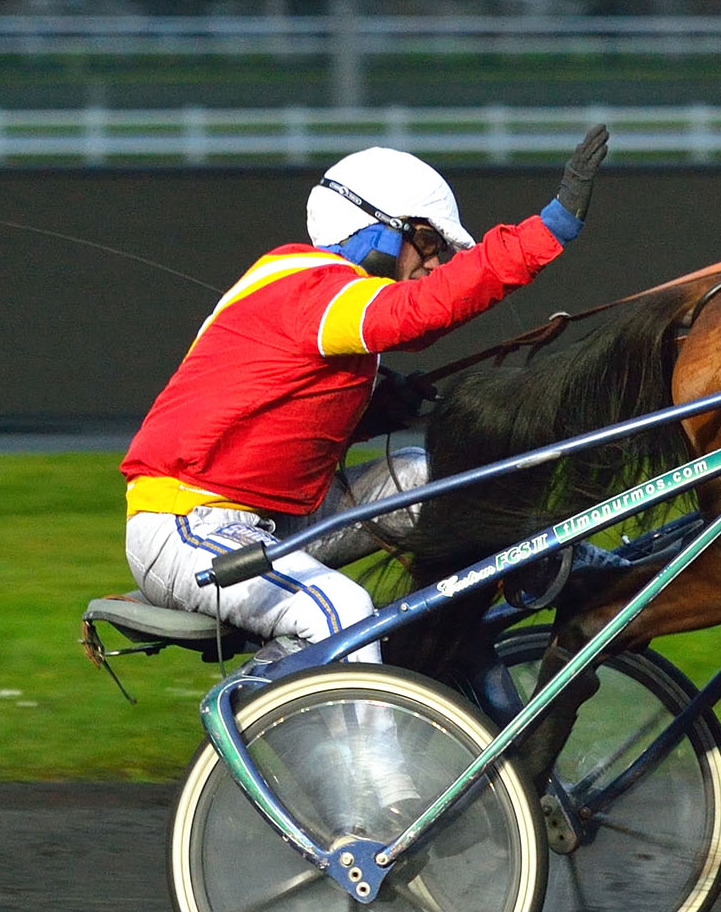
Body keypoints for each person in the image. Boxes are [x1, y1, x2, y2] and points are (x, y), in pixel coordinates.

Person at [121, 126, 609, 661]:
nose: (434, 263)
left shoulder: (326, 299)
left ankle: (569, 566)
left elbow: (279, 420)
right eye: (427, 243)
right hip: (187, 529)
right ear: (374, 229)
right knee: (344, 610)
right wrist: (548, 230)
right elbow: (418, 314)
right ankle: (361, 738)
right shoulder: (307, 283)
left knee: (428, 477)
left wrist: (372, 413)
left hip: (277, 516)